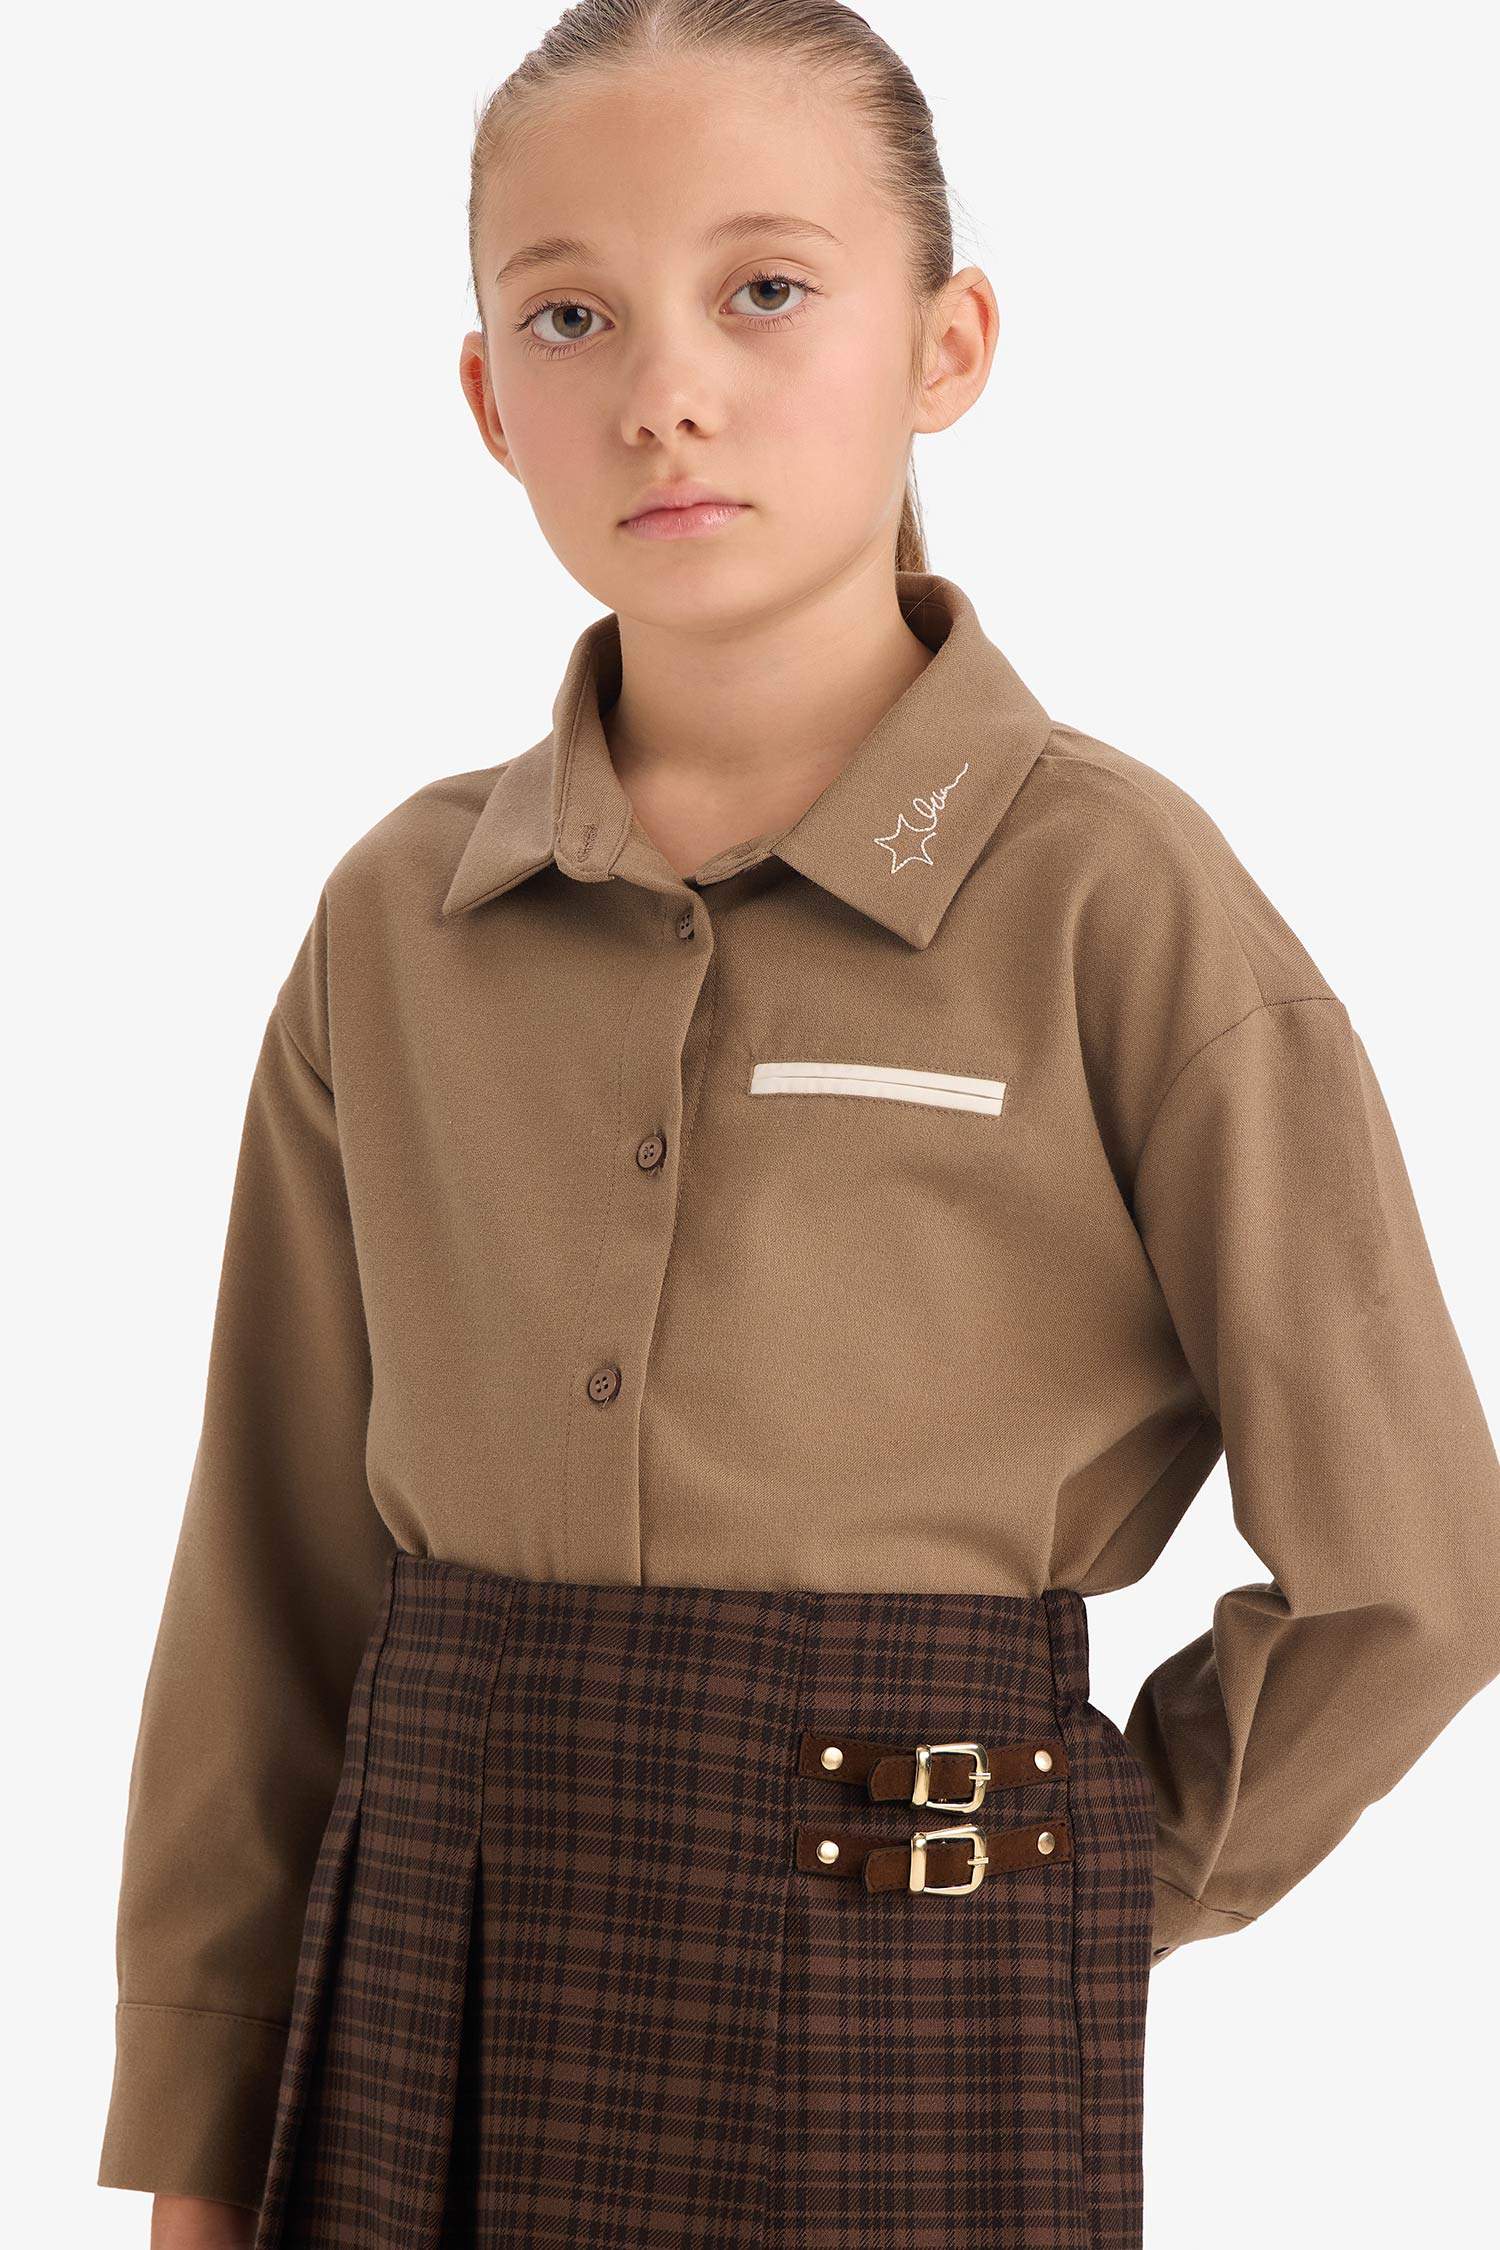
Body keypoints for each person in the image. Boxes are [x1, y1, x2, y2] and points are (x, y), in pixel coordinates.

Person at [98, 4, 1500, 2246]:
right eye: (571, 315)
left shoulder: (1117, 899)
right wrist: (200, 2122)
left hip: (905, 1987)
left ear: (948, 347)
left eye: (764, 288)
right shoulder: (397, 923)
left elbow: (1415, 1568)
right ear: (487, 399)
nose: (665, 389)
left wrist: (1070, 1878)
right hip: (429, 1975)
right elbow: (269, 1576)